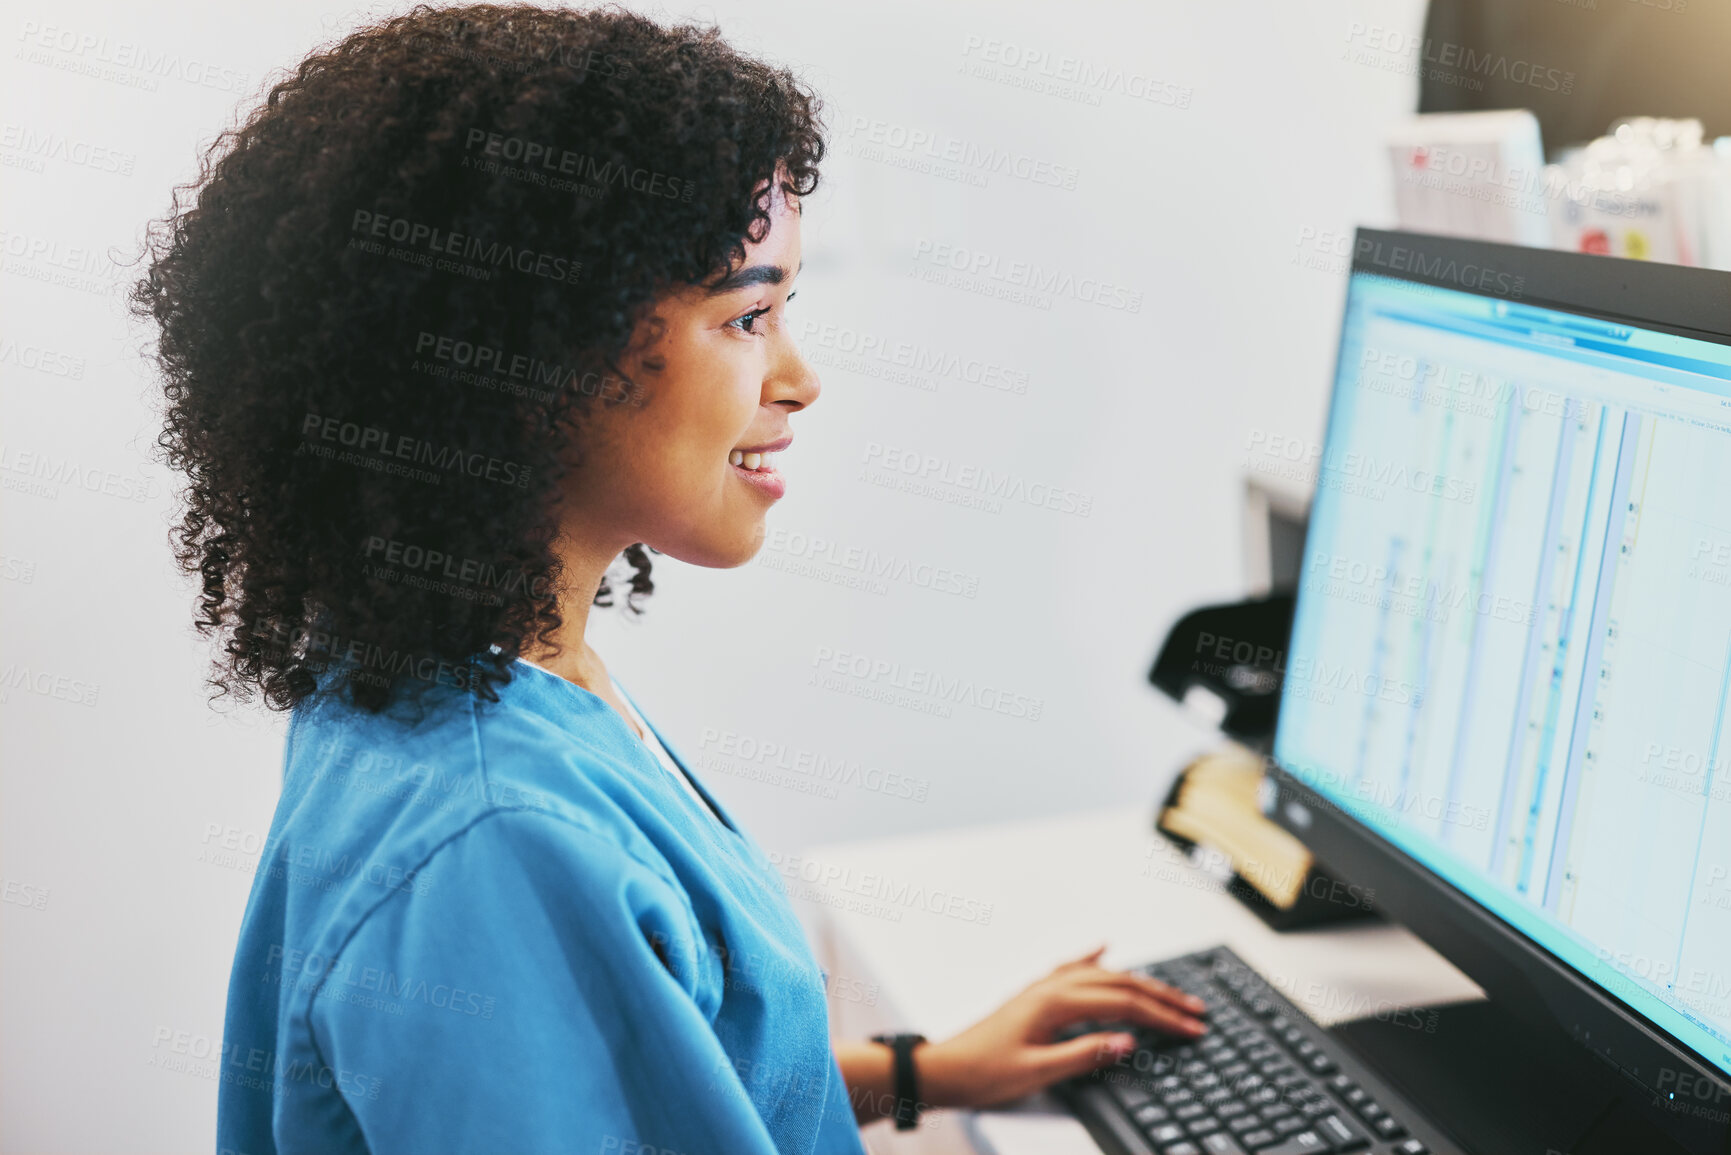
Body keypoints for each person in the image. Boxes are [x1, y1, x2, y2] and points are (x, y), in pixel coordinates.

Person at [131, 6, 1206, 1152]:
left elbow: (667, 1070)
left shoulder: (470, 669)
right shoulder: (500, 842)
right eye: (749, 315)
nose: (801, 378)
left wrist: (923, 1073)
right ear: (541, 356)